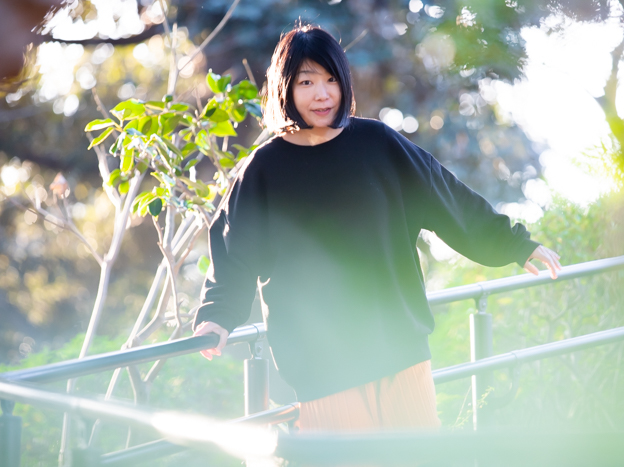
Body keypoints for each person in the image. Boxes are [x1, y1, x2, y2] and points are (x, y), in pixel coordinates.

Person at [192, 25, 561, 433]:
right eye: (306, 82)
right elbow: (234, 252)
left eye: (331, 80)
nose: (322, 94)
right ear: (286, 88)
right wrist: (217, 315)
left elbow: (447, 197)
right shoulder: (263, 169)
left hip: (399, 349)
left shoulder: (377, 143)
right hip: (322, 367)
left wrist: (515, 244)